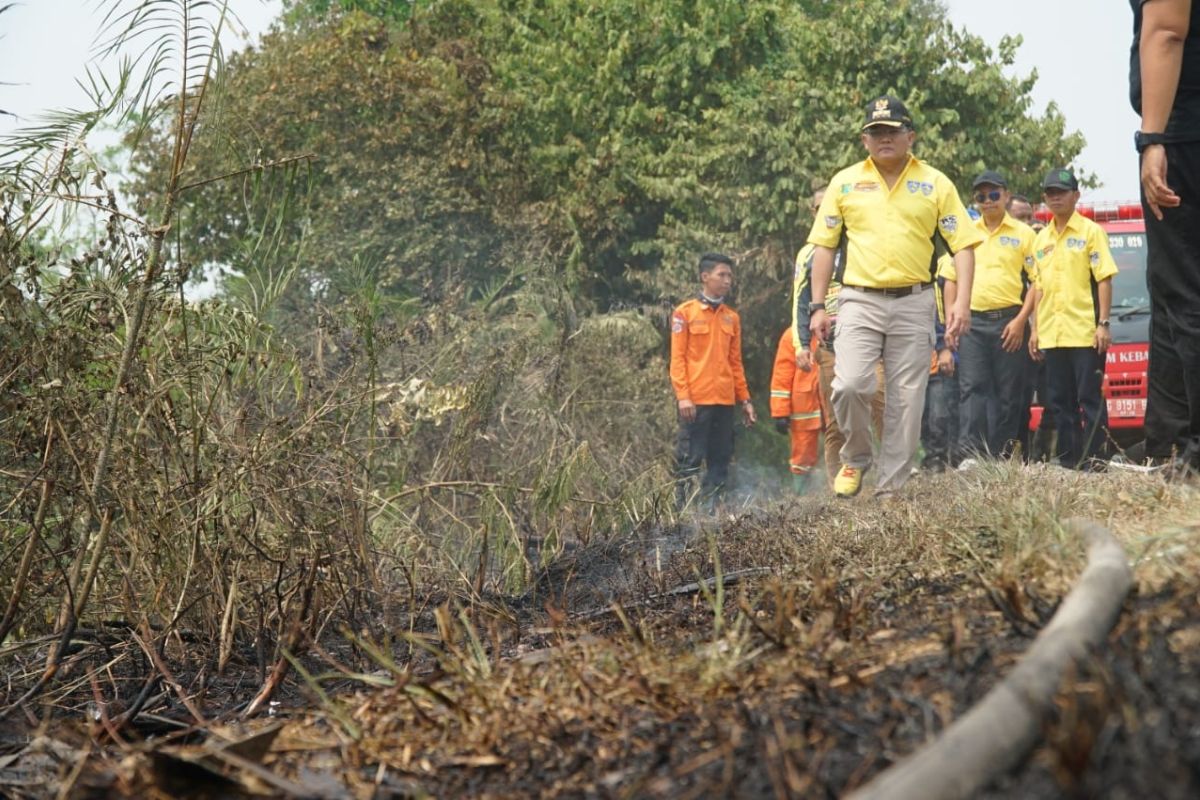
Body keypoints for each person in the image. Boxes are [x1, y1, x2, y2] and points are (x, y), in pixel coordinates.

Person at [807, 94, 982, 498]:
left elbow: (965, 245)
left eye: (892, 131)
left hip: (914, 300)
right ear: (864, 140)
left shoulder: (935, 183)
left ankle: (891, 489)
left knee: (906, 398)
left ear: (911, 136)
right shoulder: (845, 182)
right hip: (858, 299)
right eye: (876, 132)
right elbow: (824, 246)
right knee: (850, 385)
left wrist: (962, 302)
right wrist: (817, 305)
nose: (884, 138)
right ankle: (856, 457)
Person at [1130, 0, 1200, 473]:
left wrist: (1152, 138)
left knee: (1186, 289)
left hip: (1186, 131)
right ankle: (1170, 441)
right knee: (1167, 286)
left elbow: (1167, 31)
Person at [940, 171, 1037, 465]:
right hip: (972, 323)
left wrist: (1021, 321)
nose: (988, 201)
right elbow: (950, 278)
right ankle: (971, 456)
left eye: (994, 195)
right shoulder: (966, 232)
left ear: (1006, 196)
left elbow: (1037, 281)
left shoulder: (1024, 234)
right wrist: (951, 321)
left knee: (1009, 393)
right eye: (981, 196)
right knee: (972, 389)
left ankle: (1004, 456)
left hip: (1009, 322)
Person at [791, 187, 886, 486]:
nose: (825, 214)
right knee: (836, 421)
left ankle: (895, 479)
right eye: (819, 209)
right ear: (813, 213)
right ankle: (839, 488)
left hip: (872, 344)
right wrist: (801, 344)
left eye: (830, 208)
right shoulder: (808, 252)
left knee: (884, 405)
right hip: (831, 347)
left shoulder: (865, 241)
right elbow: (800, 299)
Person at [1028, 168, 1119, 470]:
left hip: (1084, 333)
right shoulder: (1041, 240)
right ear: (1045, 198)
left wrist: (1103, 324)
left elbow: (1104, 279)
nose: (1056, 197)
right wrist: (1035, 330)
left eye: (1062, 192)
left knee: (1089, 399)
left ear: (1076, 196)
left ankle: (1096, 460)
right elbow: (1038, 287)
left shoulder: (1091, 232)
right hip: (1053, 335)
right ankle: (1069, 461)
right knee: (1059, 402)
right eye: (1050, 193)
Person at [670, 253, 756, 509]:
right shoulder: (684, 313)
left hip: (725, 400)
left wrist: (745, 399)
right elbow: (678, 359)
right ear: (705, 276)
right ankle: (681, 511)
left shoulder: (732, 317)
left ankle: (711, 512)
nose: (727, 280)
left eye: (730, 275)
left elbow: (736, 363)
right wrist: (683, 396)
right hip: (696, 401)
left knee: (720, 458)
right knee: (689, 457)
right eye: (722, 275)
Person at [769, 329, 822, 493]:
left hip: (831, 402)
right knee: (802, 457)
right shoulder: (792, 336)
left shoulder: (834, 329)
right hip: (803, 406)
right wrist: (780, 412)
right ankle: (803, 498)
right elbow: (782, 375)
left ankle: (841, 496)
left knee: (841, 448)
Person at [921, 265, 960, 471]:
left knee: (940, 411)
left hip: (936, 355)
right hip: (911, 356)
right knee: (921, 414)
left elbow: (940, 315)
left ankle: (940, 458)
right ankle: (928, 457)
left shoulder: (938, 271)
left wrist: (943, 348)